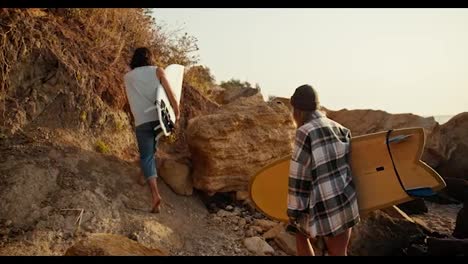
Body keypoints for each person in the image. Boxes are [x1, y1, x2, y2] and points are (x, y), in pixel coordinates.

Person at [287, 84, 360, 256]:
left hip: (323, 203)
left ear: (297, 110)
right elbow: (349, 165)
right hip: (345, 200)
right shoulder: (341, 128)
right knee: (340, 253)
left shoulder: (305, 132)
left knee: (300, 235)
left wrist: (294, 212)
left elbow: (298, 176)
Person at [124, 47, 180, 213]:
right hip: (159, 118)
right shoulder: (157, 71)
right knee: (152, 147)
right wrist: (176, 111)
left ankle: (155, 194)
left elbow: (128, 80)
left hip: (142, 120)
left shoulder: (128, 77)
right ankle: (145, 173)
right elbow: (170, 93)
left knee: (147, 156)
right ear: (150, 58)